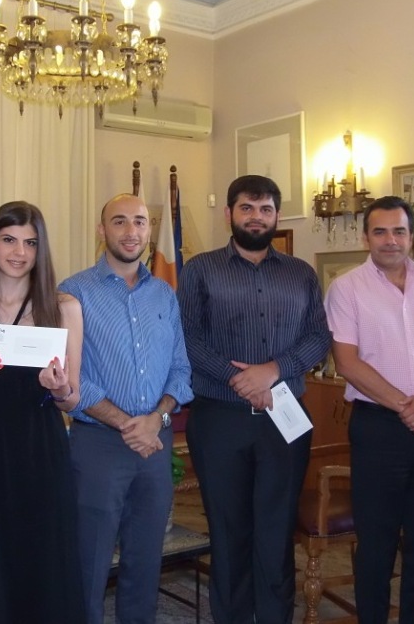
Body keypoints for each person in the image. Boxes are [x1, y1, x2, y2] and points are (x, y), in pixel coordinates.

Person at [177, 174, 330, 623]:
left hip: (285, 416)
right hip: (219, 417)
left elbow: (319, 336)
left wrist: (272, 371)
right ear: (229, 214)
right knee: (229, 532)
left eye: (265, 209)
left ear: (277, 216)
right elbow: (187, 337)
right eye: (247, 208)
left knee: (277, 530)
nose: (256, 217)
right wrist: (238, 378)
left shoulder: (301, 274)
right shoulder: (200, 270)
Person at [324, 195, 414, 624]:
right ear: (365, 237)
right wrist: (408, 407)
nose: (391, 240)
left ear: (411, 236)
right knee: (377, 539)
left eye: (399, 231)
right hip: (379, 428)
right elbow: (347, 362)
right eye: (381, 232)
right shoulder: (346, 288)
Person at [0, 201, 86, 624]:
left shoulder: (64, 307)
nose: (19, 252)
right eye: (9, 240)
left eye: (30, 243)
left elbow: (72, 398)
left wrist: (60, 388)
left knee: (42, 566)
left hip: (40, 456)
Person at [58, 193, 193, 624]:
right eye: (119, 221)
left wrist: (157, 419)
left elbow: (181, 369)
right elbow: (71, 379)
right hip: (98, 447)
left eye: (139, 221)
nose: (130, 231)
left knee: (146, 559)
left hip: (155, 443)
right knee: (89, 561)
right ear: (102, 231)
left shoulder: (165, 295)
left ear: (149, 230)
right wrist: (126, 424)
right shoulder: (73, 292)